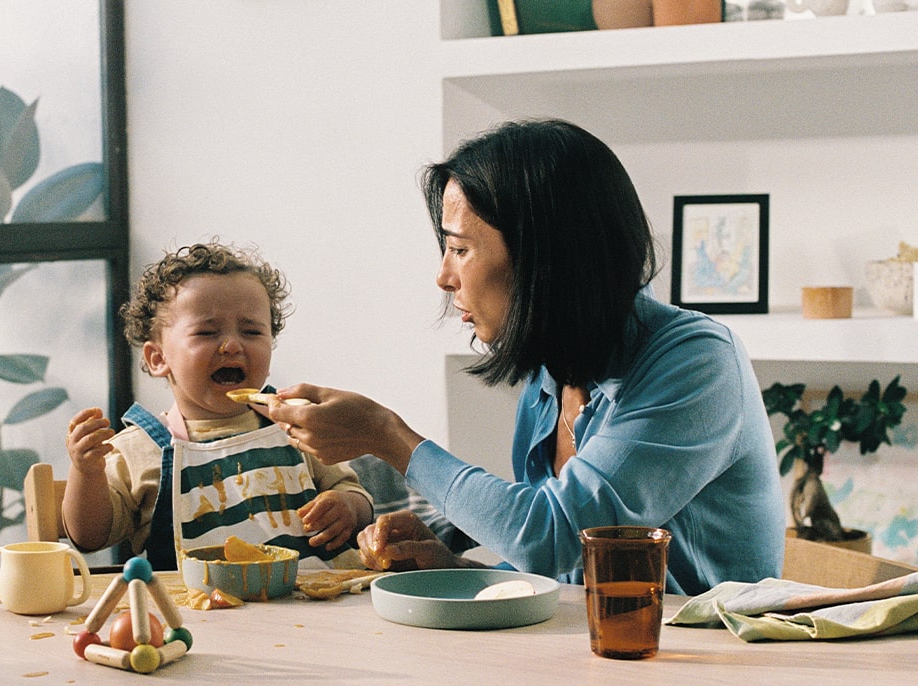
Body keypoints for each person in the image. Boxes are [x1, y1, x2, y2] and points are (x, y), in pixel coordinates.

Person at [258, 119, 785, 596]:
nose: (443, 277)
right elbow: (565, 572)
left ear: (543, 257)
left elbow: (556, 534)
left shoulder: (697, 363)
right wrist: (452, 566)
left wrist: (388, 436)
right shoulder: (552, 376)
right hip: (604, 660)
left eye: (460, 249)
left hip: (712, 667)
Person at [63, 241, 373, 571]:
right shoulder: (138, 451)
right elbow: (89, 537)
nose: (231, 345)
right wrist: (86, 472)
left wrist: (348, 507)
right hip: (203, 616)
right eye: (208, 332)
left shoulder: (293, 422)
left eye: (252, 331)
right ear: (158, 358)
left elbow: (352, 490)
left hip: (319, 606)